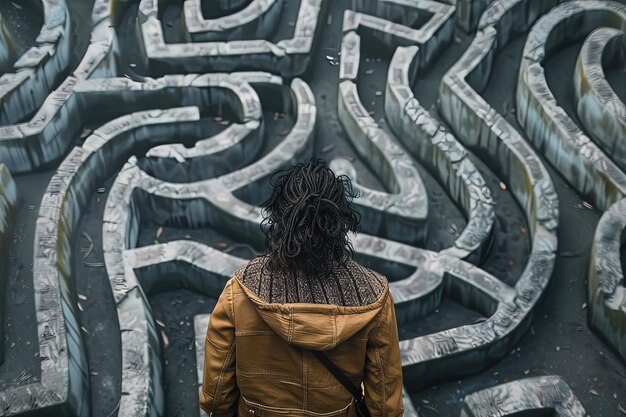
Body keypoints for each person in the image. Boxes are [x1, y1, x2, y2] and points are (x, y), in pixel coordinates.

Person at [200, 159, 404, 416]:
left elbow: (216, 395)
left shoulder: (240, 292)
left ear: (278, 218)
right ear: (340, 221)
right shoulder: (374, 296)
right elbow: (385, 403)